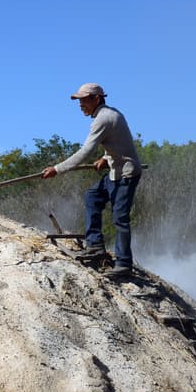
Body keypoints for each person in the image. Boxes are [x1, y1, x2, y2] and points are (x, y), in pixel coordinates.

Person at [41, 83, 142, 276]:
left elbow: (85, 152)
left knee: (120, 219)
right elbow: (117, 140)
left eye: (84, 100)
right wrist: (106, 158)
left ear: (97, 99)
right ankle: (95, 245)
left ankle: (124, 264)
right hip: (115, 171)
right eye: (79, 101)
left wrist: (57, 169)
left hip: (125, 174)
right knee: (92, 196)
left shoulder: (103, 119)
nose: (81, 105)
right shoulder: (108, 115)